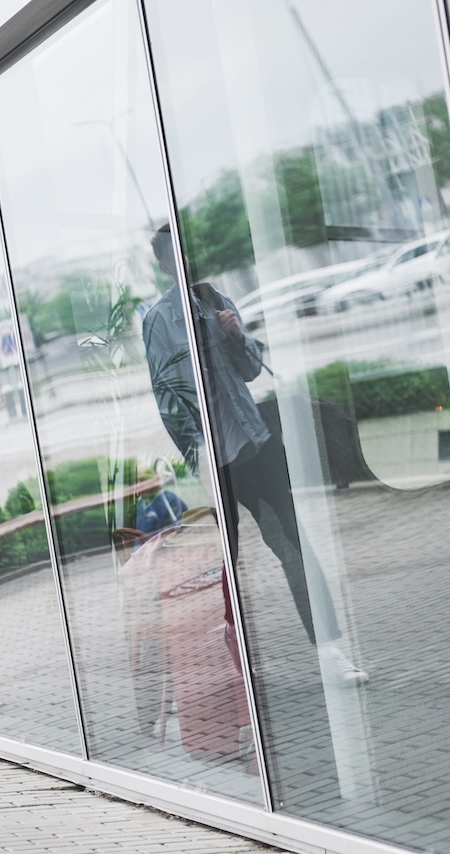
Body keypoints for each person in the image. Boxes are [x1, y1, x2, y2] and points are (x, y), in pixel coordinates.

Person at [142, 224, 367, 686]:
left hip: (255, 444)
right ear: (165, 265)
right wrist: (198, 458)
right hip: (216, 463)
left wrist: (237, 336)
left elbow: (249, 370)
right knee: (229, 563)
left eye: (188, 251)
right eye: (175, 255)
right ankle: (237, 662)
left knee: (295, 546)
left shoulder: (216, 300)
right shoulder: (159, 321)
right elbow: (168, 402)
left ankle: (331, 655)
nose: (185, 260)